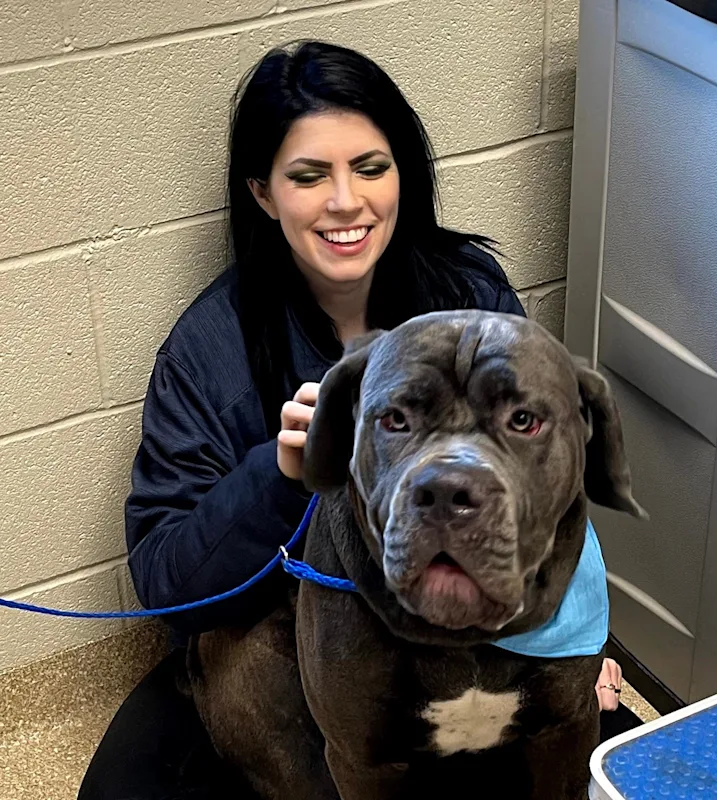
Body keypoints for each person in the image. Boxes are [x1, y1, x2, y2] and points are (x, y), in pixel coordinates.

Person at [78, 40, 640, 800]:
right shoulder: (209, 352)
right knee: (122, 788)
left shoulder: (471, 291)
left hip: (485, 621)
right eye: (309, 176)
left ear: (403, 174)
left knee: (605, 750)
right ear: (264, 192)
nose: (346, 202)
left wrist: (576, 627)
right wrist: (279, 474)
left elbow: (546, 470)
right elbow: (170, 584)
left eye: (371, 168)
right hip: (295, 639)